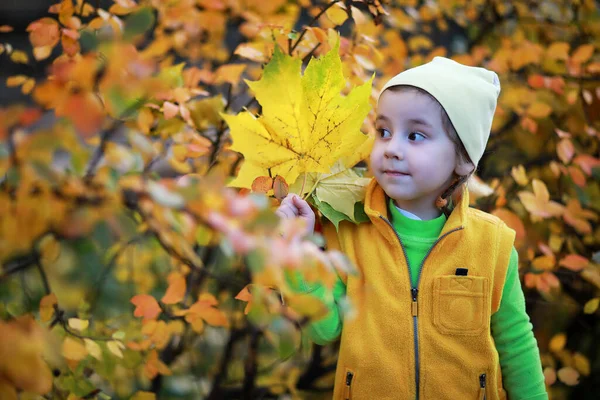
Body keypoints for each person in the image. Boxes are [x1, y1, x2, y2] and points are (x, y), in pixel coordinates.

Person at [276, 57, 548, 400]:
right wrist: (297, 251)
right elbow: (323, 330)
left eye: (415, 135)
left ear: (462, 158)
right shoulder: (348, 231)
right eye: (384, 131)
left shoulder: (491, 245)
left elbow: (515, 341)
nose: (392, 149)